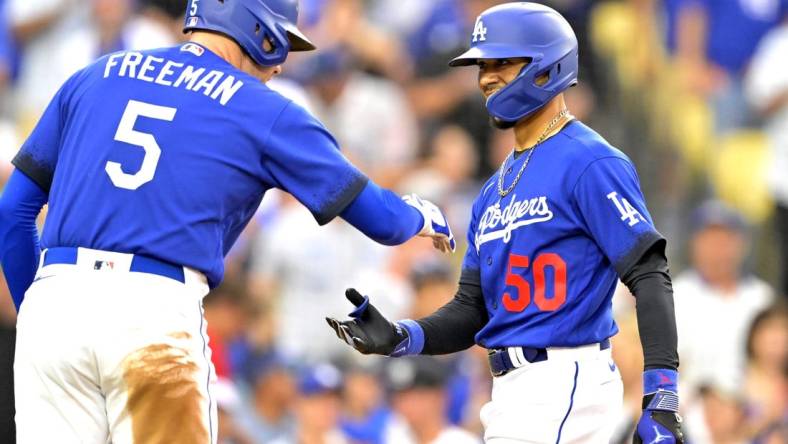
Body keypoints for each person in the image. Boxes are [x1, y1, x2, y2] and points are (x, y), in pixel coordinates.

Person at [0, 0, 456, 442]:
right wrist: (423, 213)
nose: (279, 66)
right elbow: (383, 221)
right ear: (262, 32)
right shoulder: (261, 108)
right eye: (283, 43)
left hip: (54, 305)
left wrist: (36, 314)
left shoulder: (95, 73)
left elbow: (12, 210)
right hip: (150, 310)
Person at [327, 3, 683, 443]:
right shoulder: (493, 188)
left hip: (564, 376)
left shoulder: (589, 160)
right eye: (482, 65)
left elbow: (649, 272)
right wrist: (403, 336)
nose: (486, 76)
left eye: (502, 63)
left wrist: (661, 394)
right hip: (511, 390)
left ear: (546, 67)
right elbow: (472, 309)